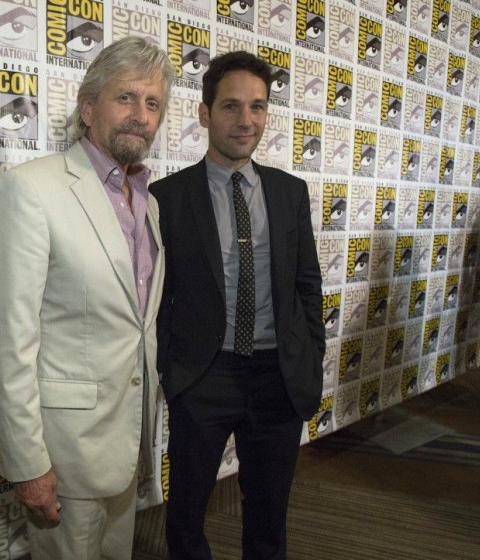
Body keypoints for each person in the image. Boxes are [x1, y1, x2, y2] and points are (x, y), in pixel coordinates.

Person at [0, 37, 174, 559]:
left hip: (127, 445)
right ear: (88, 109)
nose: (140, 115)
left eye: (152, 104)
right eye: (125, 98)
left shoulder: (147, 203)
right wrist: (27, 463)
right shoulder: (32, 189)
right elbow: (5, 338)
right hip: (64, 457)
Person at [149, 51, 325, 560]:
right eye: (230, 106)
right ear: (205, 114)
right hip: (204, 376)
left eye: (258, 107)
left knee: (269, 516)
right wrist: (172, 369)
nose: (246, 120)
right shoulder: (168, 196)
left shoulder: (291, 192)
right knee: (186, 516)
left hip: (278, 375)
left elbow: (306, 283)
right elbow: (158, 297)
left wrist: (309, 352)